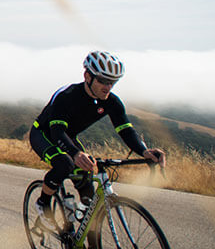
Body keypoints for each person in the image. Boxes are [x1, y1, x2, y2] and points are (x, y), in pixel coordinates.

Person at [29, 50, 165, 223]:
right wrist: (75, 153)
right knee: (65, 164)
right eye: (102, 81)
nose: (107, 87)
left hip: (68, 136)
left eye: (112, 82)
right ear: (87, 76)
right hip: (43, 133)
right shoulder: (67, 96)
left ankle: (85, 236)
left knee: (88, 194)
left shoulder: (112, 102)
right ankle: (43, 202)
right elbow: (56, 132)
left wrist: (144, 152)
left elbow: (126, 130)